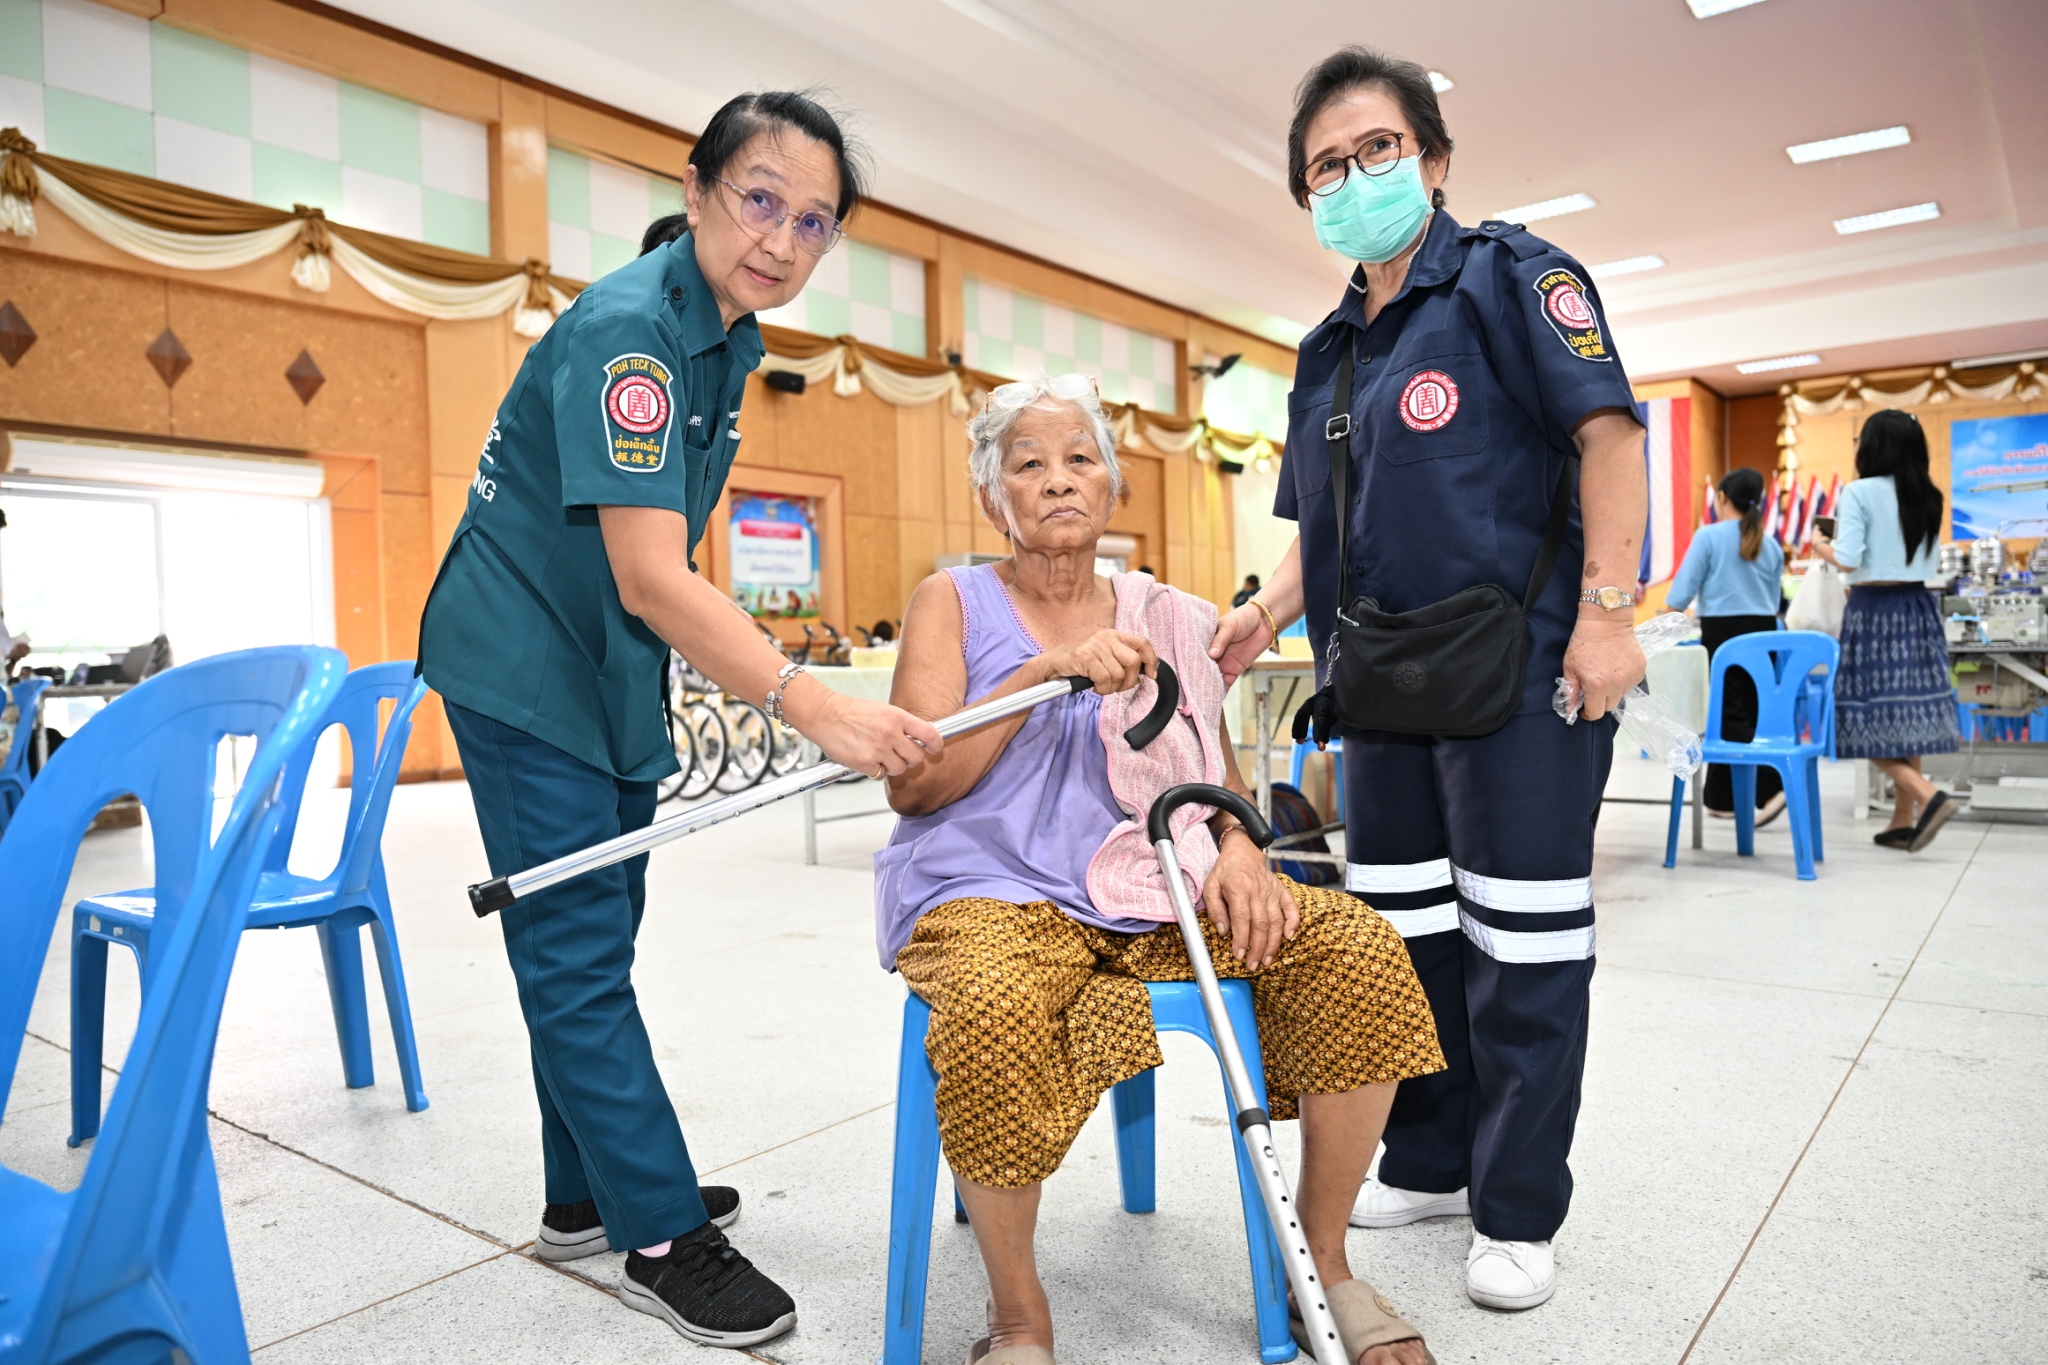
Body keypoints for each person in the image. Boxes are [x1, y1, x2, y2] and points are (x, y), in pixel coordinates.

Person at [418, 91, 944, 1351]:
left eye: (812, 222)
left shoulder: (722, 333)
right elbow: (656, 574)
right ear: (700, 187)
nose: (780, 238)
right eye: (759, 198)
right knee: (579, 957)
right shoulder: (630, 338)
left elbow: (652, 577)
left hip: (603, 666)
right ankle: (656, 1233)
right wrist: (825, 712)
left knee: (588, 932)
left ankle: (580, 1195)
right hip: (521, 665)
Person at [878, 376, 1445, 1365]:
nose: (1057, 481)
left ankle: (1320, 1265)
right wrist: (1036, 676)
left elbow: (1211, 775)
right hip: (991, 890)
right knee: (990, 1004)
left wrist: (1236, 847)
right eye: (1028, 465)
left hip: (1154, 880)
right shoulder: (953, 601)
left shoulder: (1168, 614)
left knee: (1353, 949)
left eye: (1078, 459)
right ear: (991, 498)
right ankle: (1017, 1318)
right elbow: (915, 790)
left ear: (1112, 486)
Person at [1208, 46, 1650, 1313]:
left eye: (1376, 151)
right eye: (1326, 168)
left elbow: (1608, 438)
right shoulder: (1325, 350)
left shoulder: (1513, 279)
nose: (1353, 180)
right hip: (1380, 688)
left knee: (1522, 944)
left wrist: (1608, 617)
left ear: (1434, 160)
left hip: (1515, 677)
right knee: (1404, 941)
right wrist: (1258, 616)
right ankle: (1432, 1152)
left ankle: (1516, 1208)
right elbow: (1325, 529)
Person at [1813, 409, 1960, 850]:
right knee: (1906, 716)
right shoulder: (1930, 495)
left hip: (1874, 610)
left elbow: (1851, 558)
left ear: (1877, 445)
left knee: (1853, 717)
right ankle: (1900, 820)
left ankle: (1927, 796)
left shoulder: (1857, 492)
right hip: (1918, 608)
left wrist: (1821, 545)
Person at [1665, 468, 1787, 822]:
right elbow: (1775, 597)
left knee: (1724, 714)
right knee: (1747, 712)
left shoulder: (1709, 536)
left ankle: (1773, 787)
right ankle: (1723, 799)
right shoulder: (1772, 543)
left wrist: (1668, 619)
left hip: (1724, 634)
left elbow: (1679, 596)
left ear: (1721, 498)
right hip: (1766, 633)